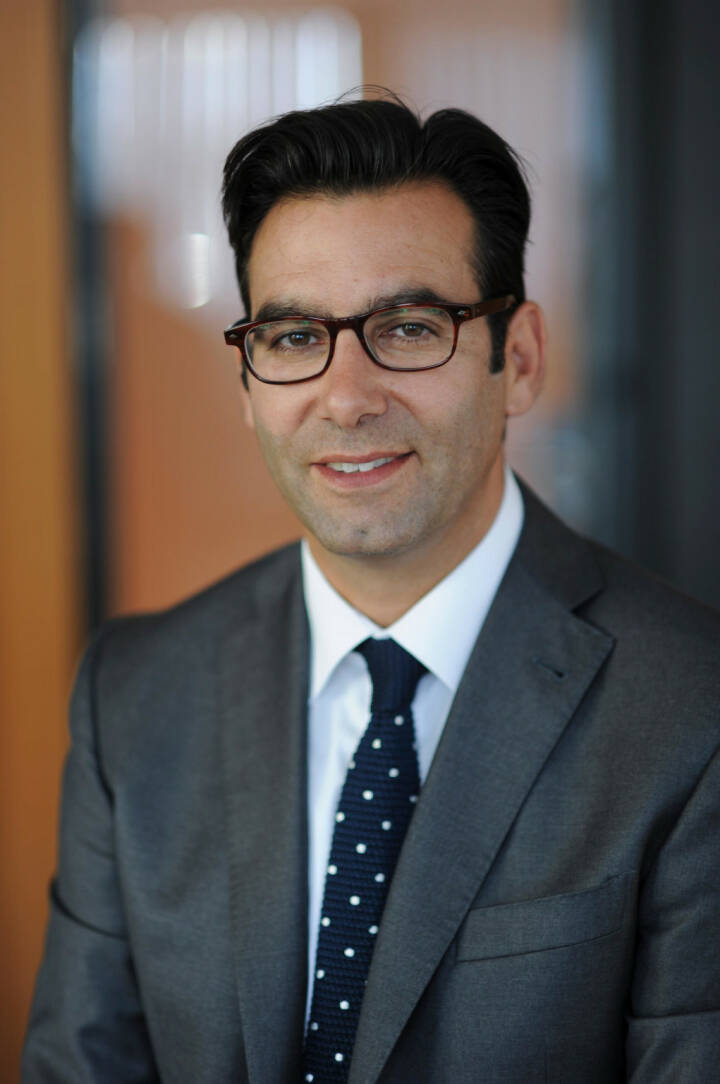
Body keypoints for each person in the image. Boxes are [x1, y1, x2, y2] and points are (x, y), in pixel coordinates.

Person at [23, 94, 720, 1084]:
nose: (347, 398)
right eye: (293, 338)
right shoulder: (135, 696)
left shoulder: (691, 710)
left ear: (519, 360)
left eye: (409, 326)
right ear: (249, 385)